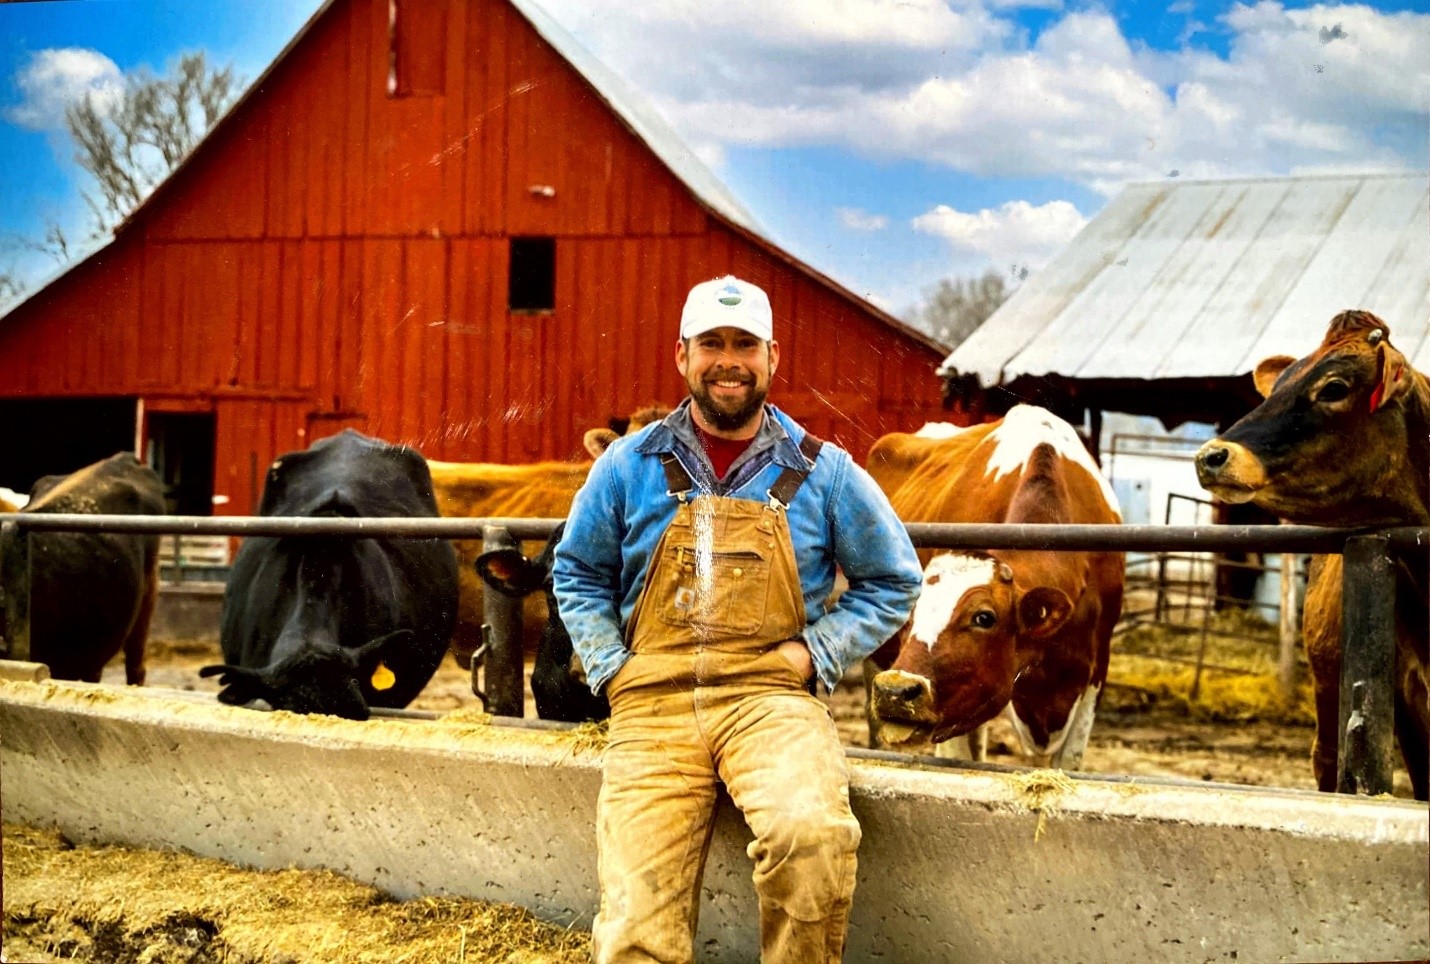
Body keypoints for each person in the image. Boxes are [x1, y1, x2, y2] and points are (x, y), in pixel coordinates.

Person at [552, 274, 922, 963]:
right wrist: (611, 667)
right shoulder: (625, 466)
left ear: (772, 357)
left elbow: (894, 579)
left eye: (745, 344)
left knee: (811, 838)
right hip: (653, 703)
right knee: (635, 918)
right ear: (682, 355)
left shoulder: (824, 471)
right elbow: (576, 570)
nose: (729, 359)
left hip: (768, 699)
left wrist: (817, 653)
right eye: (712, 343)